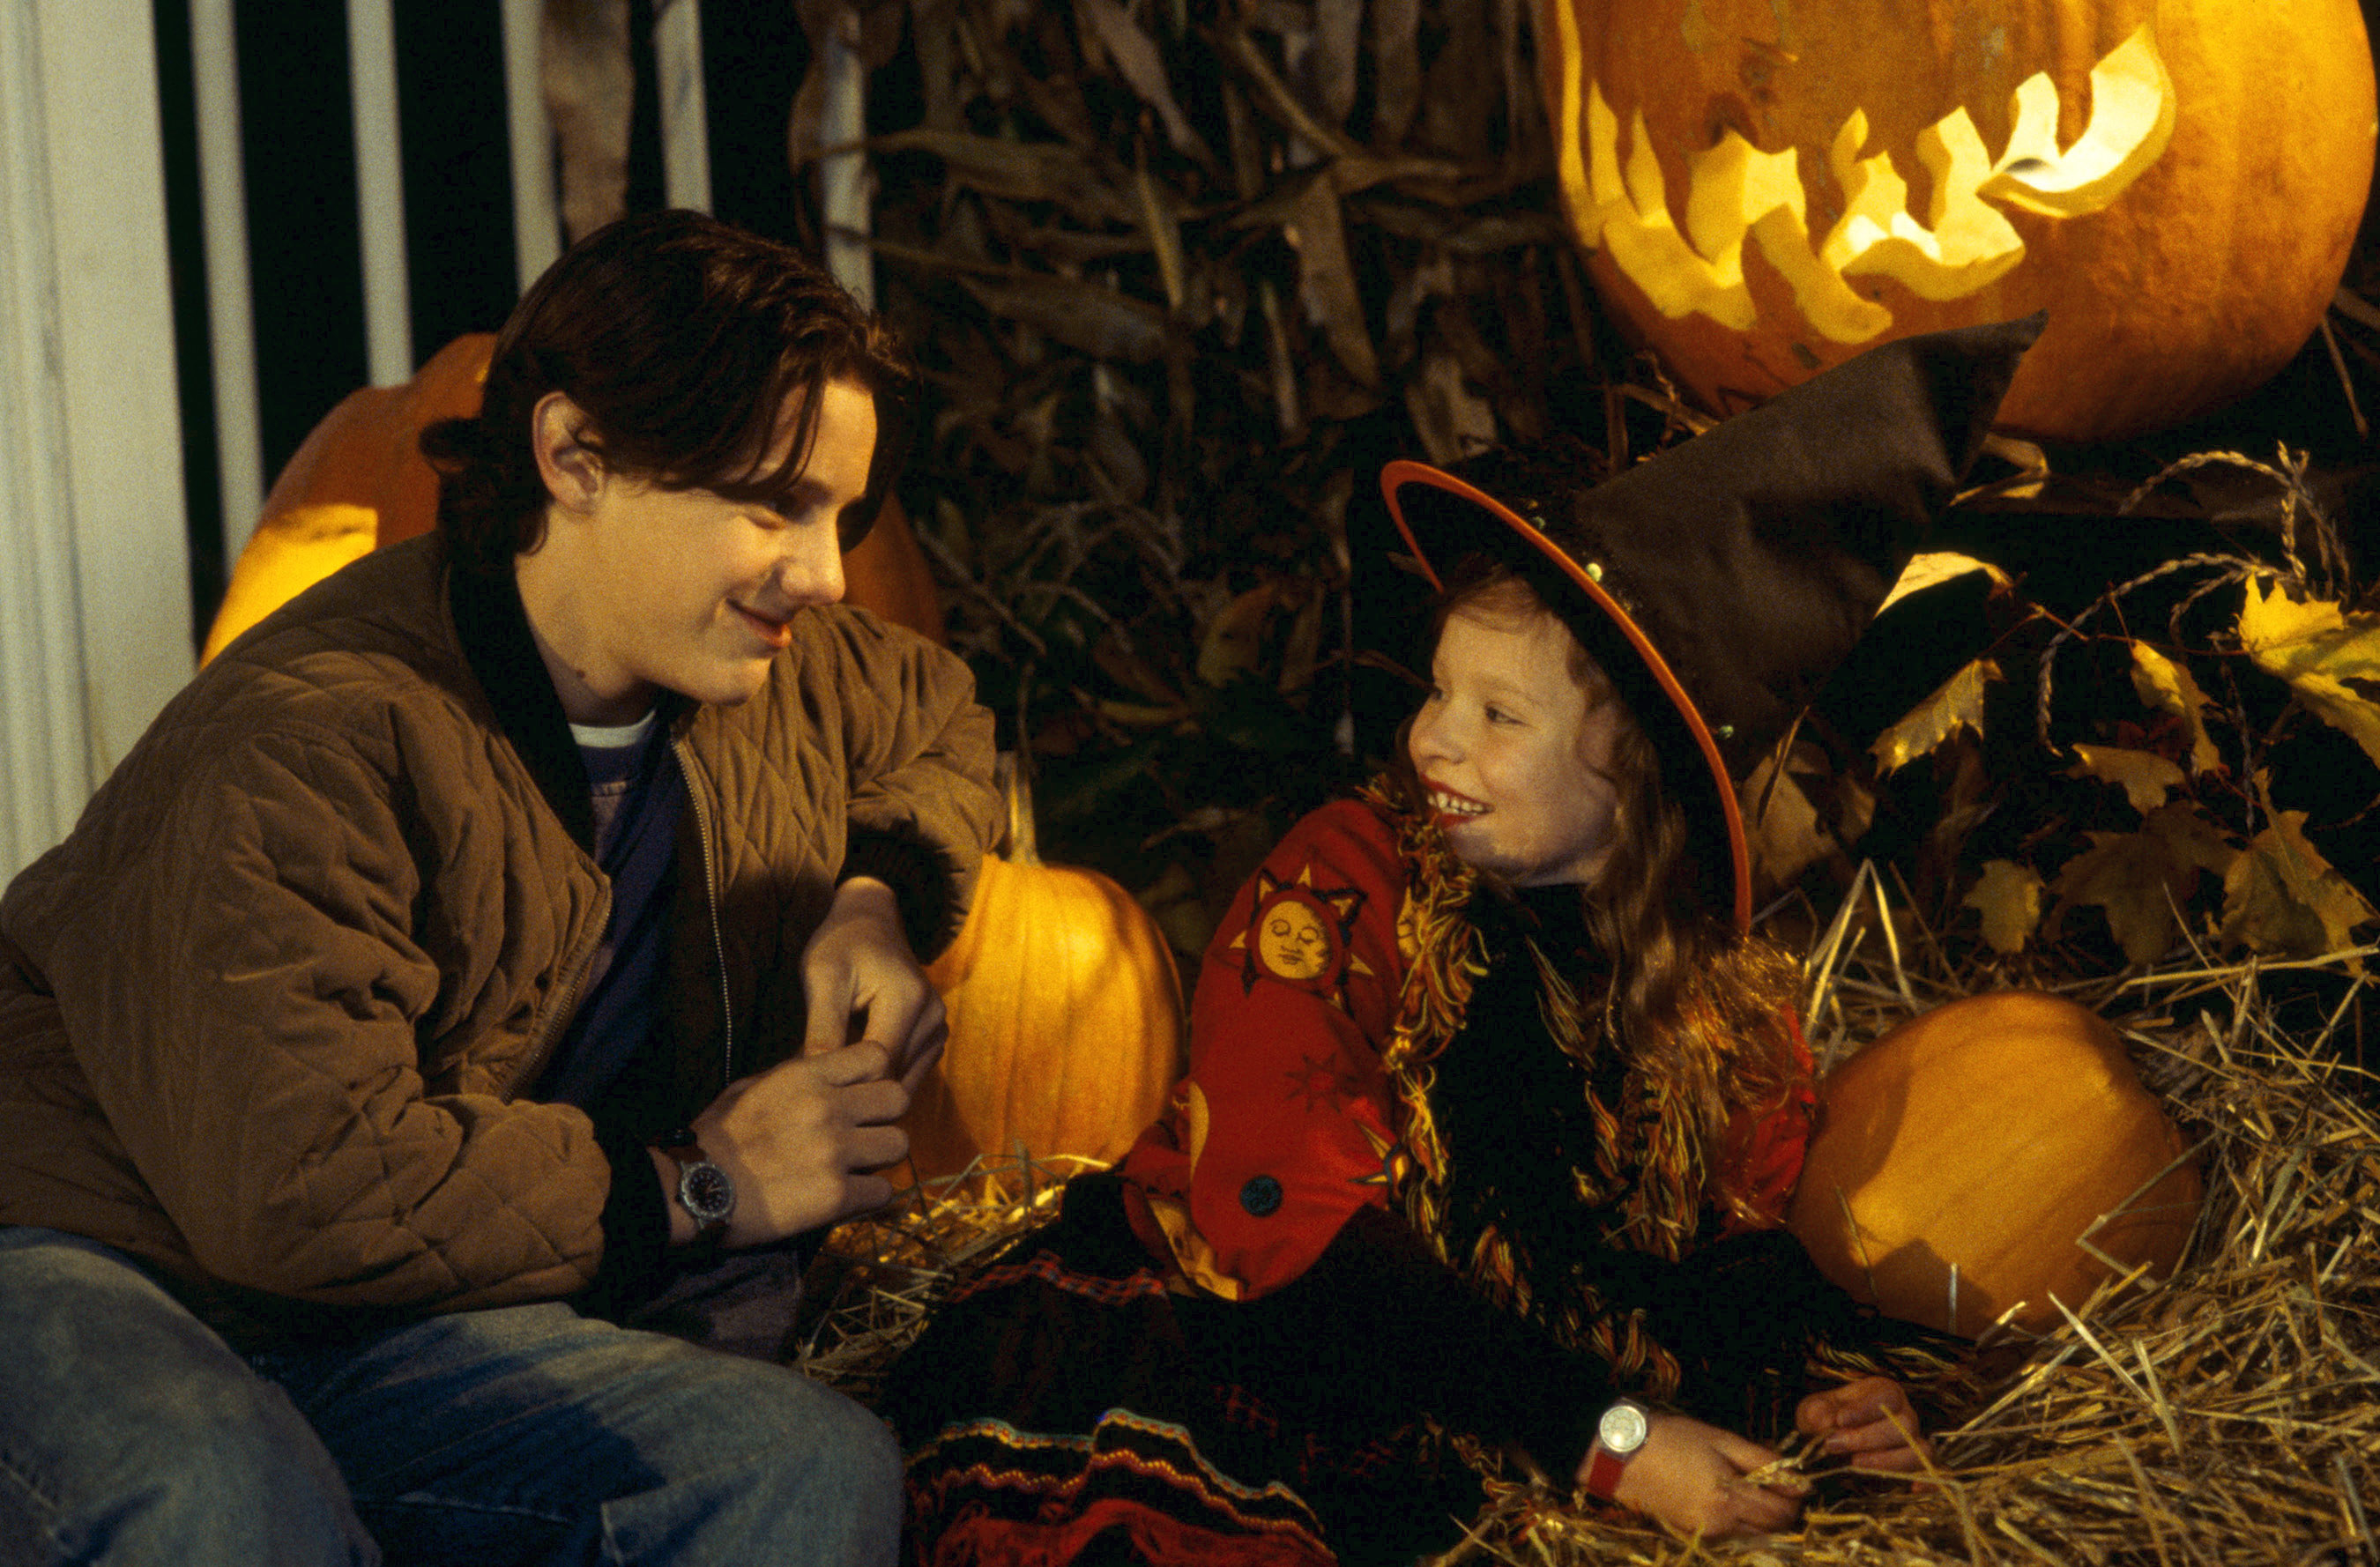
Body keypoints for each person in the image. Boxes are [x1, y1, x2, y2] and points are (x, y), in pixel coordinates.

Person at [881, 316, 2045, 1563]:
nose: (1433, 739)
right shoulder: (1342, 884)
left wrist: (1838, 1388)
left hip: (1497, 1410)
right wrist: (1618, 1441)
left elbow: (1728, 1255)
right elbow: (1291, 1211)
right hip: (1247, 1337)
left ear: (1636, 773)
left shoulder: (1729, 1010)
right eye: (1439, 689)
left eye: (1499, 713)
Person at [0, 209, 999, 1565]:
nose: (823, 572)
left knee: (799, 1469)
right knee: (220, 1503)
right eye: (773, 504)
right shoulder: (314, 738)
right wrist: (704, 1184)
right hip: (99, 1255)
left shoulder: (774, 673)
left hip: (391, 1316)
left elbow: (937, 718)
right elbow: (303, 1183)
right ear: (576, 454)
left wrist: (877, 897)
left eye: (840, 514)